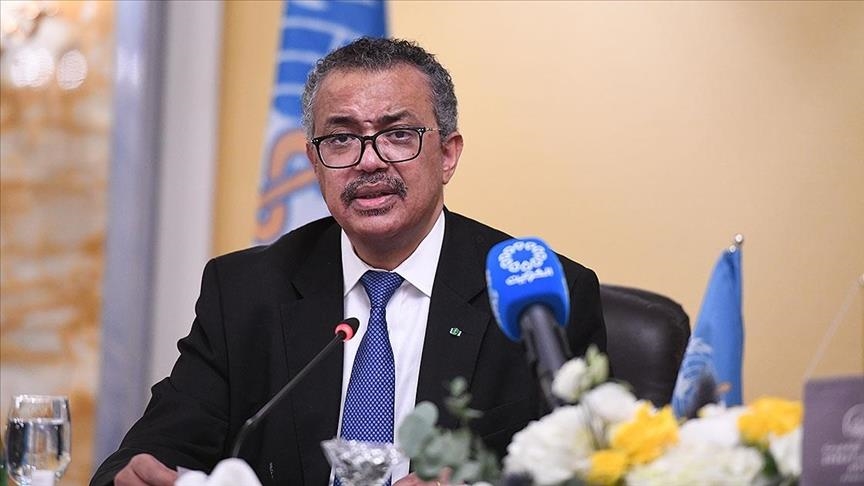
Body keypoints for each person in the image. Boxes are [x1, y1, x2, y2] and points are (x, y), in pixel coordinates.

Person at [91, 37, 606, 486]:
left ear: (448, 154)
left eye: (398, 134)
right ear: (314, 162)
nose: (369, 160)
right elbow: (152, 452)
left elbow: (592, 470)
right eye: (340, 139)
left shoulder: (537, 298)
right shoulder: (246, 291)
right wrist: (137, 477)